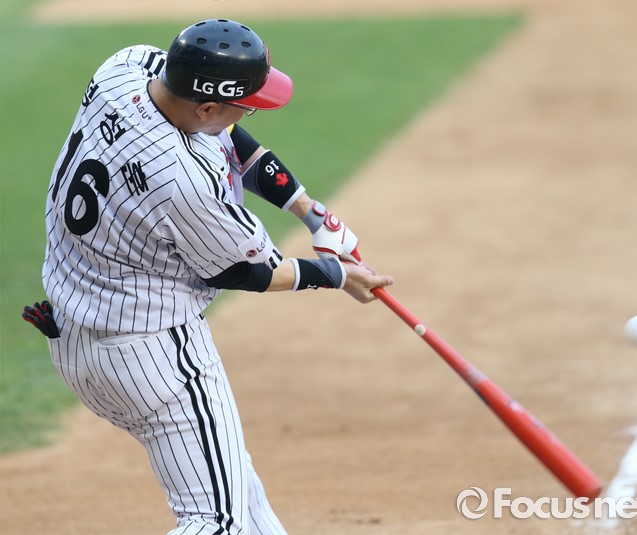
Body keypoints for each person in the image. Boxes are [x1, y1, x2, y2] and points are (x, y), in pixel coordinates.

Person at [22, 18, 393, 535]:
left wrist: (310, 212)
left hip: (76, 339)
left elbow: (229, 136)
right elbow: (252, 271)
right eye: (245, 103)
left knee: (236, 489)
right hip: (156, 358)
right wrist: (335, 273)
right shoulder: (185, 182)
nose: (248, 111)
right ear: (206, 107)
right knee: (216, 522)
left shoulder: (123, 70)